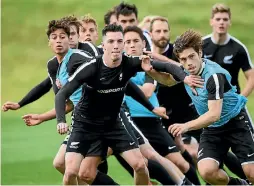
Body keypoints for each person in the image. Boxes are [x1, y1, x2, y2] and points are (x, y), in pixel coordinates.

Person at [144, 29, 254, 185]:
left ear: (200, 53)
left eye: (191, 57)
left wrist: (185, 126)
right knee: (207, 171)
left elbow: (214, 114)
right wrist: (151, 72)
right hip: (213, 128)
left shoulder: (214, 76)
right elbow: (168, 80)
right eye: (183, 59)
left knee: (252, 173)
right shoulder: (186, 72)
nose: (188, 63)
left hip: (236, 122)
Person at [54, 24, 154, 185]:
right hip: (85, 125)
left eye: (119, 41)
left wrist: (183, 77)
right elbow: (61, 95)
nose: (116, 45)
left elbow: (137, 84)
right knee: (70, 172)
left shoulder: (129, 63)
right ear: (104, 44)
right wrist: (60, 121)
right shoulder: (90, 67)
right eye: (111, 41)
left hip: (113, 124)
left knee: (141, 164)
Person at [122, 25, 202, 185]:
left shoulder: (146, 64)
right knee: (143, 163)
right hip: (126, 121)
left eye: (136, 41)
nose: (132, 45)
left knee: (178, 162)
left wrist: (119, 81)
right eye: (128, 41)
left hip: (150, 120)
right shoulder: (116, 63)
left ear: (144, 44)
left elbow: (147, 92)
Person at [202, 3, 254, 180]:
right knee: (210, 167)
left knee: (251, 169)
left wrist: (241, 98)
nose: (221, 22)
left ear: (230, 22)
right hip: (210, 109)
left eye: (225, 19)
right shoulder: (202, 45)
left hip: (234, 109)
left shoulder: (238, 48)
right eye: (218, 19)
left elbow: (251, 77)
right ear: (211, 21)